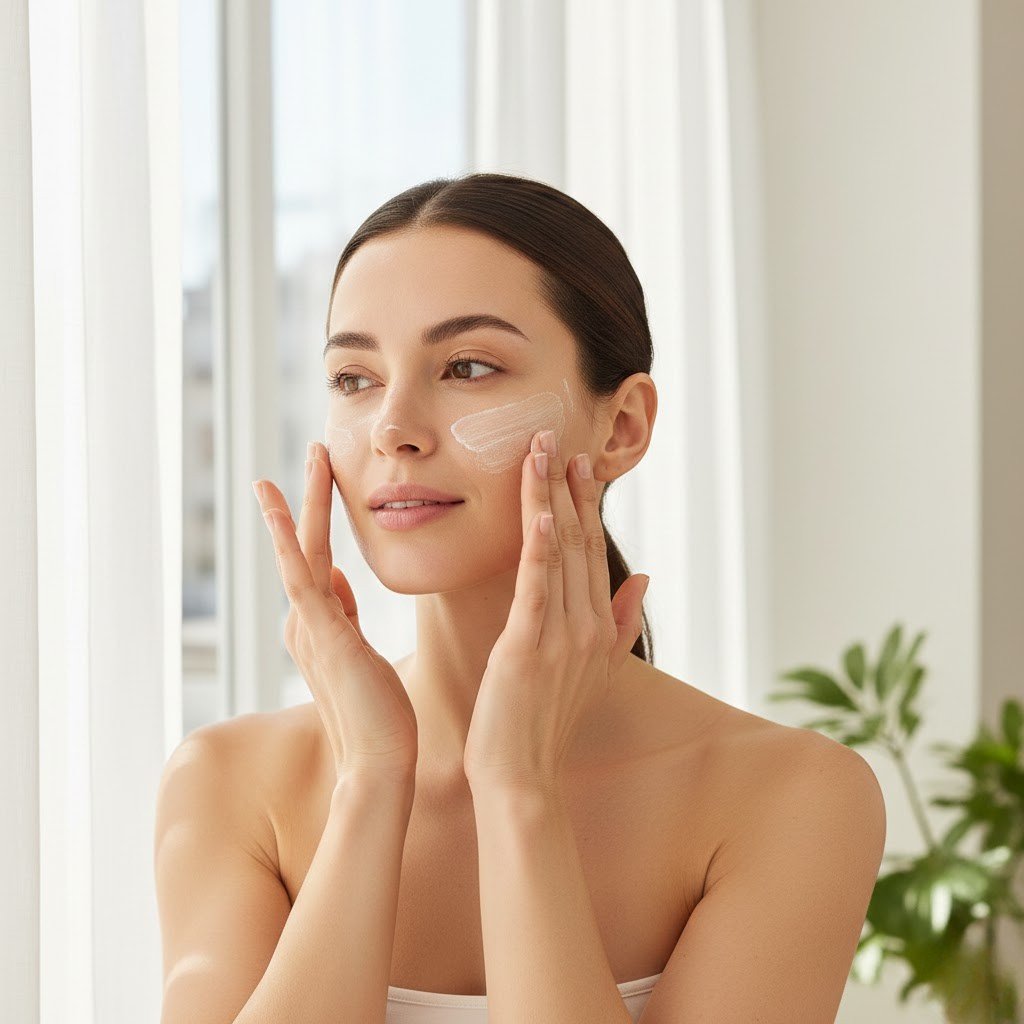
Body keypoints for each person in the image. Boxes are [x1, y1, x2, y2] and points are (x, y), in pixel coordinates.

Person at [155, 172, 886, 1024]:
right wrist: (371, 781)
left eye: (467, 367)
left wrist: (516, 786)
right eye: (354, 378)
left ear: (622, 427)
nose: (393, 428)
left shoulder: (789, 796)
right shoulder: (227, 786)